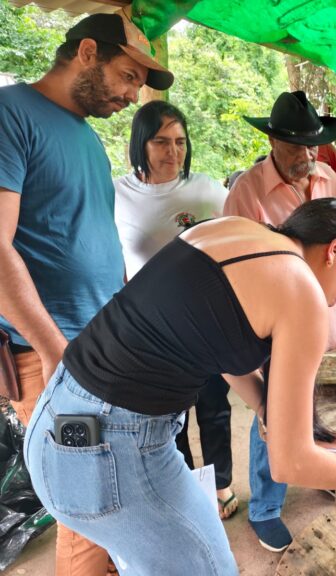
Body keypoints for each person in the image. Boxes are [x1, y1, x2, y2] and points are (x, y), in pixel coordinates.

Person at [23, 198, 336, 575]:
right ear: (334, 248)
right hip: (114, 450)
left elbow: (216, 342)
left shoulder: (228, 230)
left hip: (56, 425)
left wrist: (272, 412)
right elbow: (290, 463)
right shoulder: (301, 289)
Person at [0, 12, 172, 576]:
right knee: (86, 503)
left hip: (99, 346)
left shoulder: (87, 140)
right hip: (50, 354)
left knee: (116, 488)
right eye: (127, 77)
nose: (131, 94)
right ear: (88, 52)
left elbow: (92, 239)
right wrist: (53, 349)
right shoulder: (11, 114)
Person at [223, 90, 336, 551]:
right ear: (273, 141)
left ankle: (322, 469)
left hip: (329, 314)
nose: (307, 155)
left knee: (328, 399)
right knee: (274, 408)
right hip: (274, 324)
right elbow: (237, 269)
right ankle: (266, 507)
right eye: (296, 146)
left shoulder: (329, 179)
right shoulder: (248, 191)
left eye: (313, 145)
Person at [114, 100, 239, 519]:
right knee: (169, 417)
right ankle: (186, 486)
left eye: (181, 142)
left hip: (207, 323)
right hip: (152, 331)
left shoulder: (205, 190)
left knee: (214, 408)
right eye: (161, 142)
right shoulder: (118, 194)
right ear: (140, 144)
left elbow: (239, 239)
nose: (174, 152)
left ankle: (220, 484)